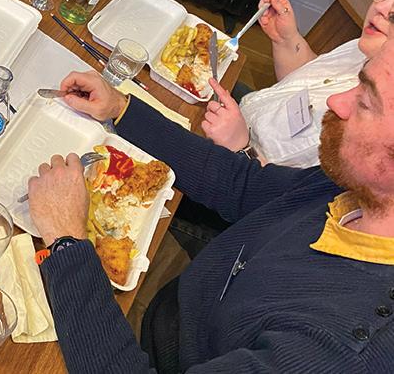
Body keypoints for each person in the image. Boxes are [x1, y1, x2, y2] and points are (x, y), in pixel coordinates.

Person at [28, 65, 394, 373]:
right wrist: (121, 108)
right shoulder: (356, 187)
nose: (336, 101)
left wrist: (66, 241)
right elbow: (241, 183)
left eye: (365, 101)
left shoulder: (344, 353)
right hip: (173, 307)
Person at [202, 0, 392, 167]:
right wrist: (286, 39)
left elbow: (286, 188)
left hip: (237, 168)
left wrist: (240, 148)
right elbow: (307, 82)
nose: (381, 7)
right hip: (245, 113)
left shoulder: (381, 130)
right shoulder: (368, 44)